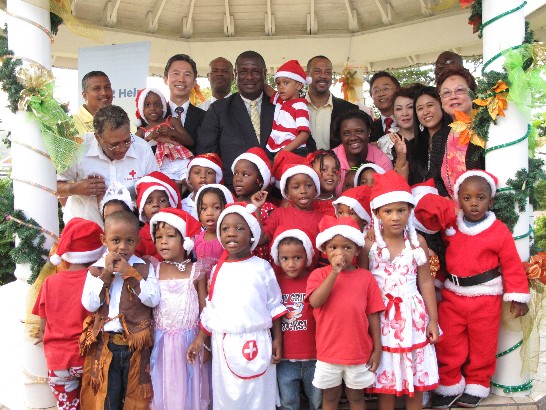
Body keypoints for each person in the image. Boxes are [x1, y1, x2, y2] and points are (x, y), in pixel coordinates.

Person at [429, 171, 530, 408]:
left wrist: (518, 295)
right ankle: (449, 383)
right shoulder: (451, 226)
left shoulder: (499, 231)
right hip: (453, 295)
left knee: (483, 345)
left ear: (490, 200)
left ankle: (477, 383)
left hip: (485, 297)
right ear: (459, 200)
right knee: (449, 342)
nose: (474, 203)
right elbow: (444, 257)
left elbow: (512, 264)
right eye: (467, 198)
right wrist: (437, 281)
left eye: (480, 197)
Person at [187, 202, 287, 409]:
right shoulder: (217, 271)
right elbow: (211, 309)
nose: (231, 233)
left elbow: (274, 305)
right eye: (225, 229)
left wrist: (278, 339)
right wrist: (199, 339)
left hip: (258, 339)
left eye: (239, 228)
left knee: (259, 396)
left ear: (252, 234)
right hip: (226, 343)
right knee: (229, 397)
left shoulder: (262, 267)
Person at [360, 170, 440, 409]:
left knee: (414, 375)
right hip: (381, 318)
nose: (395, 217)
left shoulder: (417, 243)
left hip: (412, 319)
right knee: (386, 376)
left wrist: (433, 321)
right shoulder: (369, 245)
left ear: (409, 211)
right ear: (377, 213)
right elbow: (363, 283)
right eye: (388, 211)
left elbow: (425, 282)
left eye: (401, 210)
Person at [80, 210, 160, 409]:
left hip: (136, 347)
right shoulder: (96, 269)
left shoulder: (144, 267)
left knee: (135, 399)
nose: (122, 247)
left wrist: (130, 274)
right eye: (116, 240)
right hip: (107, 346)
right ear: (104, 239)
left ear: (138, 241)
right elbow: (90, 304)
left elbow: (153, 299)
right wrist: (107, 274)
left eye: (129, 241)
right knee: (108, 398)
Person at [306, 216, 384, 410]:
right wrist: (334, 272)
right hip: (329, 353)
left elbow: (373, 314)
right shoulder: (319, 275)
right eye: (333, 247)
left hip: (358, 352)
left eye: (347, 247)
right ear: (324, 250)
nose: (340, 252)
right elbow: (315, 301)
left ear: (357, 250)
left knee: (356, 398)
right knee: (331, 398)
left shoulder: (365, 278)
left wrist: (377, 348)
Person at [32, 218, 106, 410]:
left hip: (57, 362)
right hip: (87, 358)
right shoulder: (96, 281)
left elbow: (43, 323)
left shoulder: (50, 282)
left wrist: (44, 334)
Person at [57, 105, 159, 227]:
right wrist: (74, 188)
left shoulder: (142, 149)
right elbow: (51, 186)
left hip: (126, 234)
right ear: (98, 137)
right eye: (114, 144)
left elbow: (158, 189)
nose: (122, 148)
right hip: (84, 231)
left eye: (126, 141)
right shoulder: (78, 148)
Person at [149, 208, 210, 410]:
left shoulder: (197, 271)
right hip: (161, 343)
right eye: (158, 237)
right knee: (163, 389)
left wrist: (203, 340)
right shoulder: (154, 269)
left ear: (185, 240)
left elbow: (204, 310)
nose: (163, 241)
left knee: (191, 391)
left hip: (190, 343)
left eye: (170, 236)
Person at [197, 50, 276, 190]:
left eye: (256, 71)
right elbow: (207, 157)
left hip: (278, 192)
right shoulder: (218, 110)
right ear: (236, 74)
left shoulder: (279, 108)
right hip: (233, 194)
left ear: (264, 74)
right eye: (244, 72)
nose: (250, 77)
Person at [270, 227, 322, 410]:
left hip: (314, 356)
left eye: (297, 258)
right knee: (288, 403)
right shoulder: (275, 282)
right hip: (285, 358)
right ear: (278, 259)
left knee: (316, 402)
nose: (291, 264)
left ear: (307, 257)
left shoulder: (315, 280)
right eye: (285, 258)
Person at [430, 66, 484, 198]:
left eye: (460, 90)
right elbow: (435, 179)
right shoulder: (439, 136)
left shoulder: (485, 128)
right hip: (451, 212)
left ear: (473, 94)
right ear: (441, 101)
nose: (453, 96)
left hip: (484, 211)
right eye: (446, 93)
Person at [258, 155, 325, 249]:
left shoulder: (322, 220)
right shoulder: (279, 214)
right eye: (296, 187)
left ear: (316, 190)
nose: (303, 191)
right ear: (287, 193)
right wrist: (257, 208)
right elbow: (261, 239)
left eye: (308, 185)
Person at [134, 88, 194, 181]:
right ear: (142, 109)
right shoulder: (142, 131)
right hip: (161, 166)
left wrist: (172, 132)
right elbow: (134, 149)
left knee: (189, 180)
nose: (152, 108)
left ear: (163, 106)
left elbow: (190, 141)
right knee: (167, 187)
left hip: (180, 161)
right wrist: (148, 138)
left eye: (157, 104)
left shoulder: (172, 121)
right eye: (147, 105)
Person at [331, 110, 393, 196]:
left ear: (369, 131)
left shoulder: (382, 161)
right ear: (340, 135)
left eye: (359, 131)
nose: (353, 137)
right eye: (346, 133)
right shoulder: (331, 159)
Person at [231, 147, 277, 260]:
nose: (238, 178)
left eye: (245, 174)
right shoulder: (230, 205)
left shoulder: (269, 209)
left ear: (259, 180)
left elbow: (261, 240)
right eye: (236, 173)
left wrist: (257, 208)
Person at [305, 55, 358, 150]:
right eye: (317, 71)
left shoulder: (349, 110)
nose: (323, 76)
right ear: (307, 75)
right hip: (301, 164)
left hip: (340, 164)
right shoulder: (292, 108)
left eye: (328, 72)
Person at [266, 59, 311, 156]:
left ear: (298, 86)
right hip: (275, 148)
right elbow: (269, 90)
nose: (281, 87)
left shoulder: (300, 106)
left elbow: (304, 134)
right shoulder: (280, 101)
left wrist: (284, 152)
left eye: (286, 83)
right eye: (278, 83)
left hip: (294, 150)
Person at [409, 86, 452, 186]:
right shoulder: (413, 146)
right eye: (420, 109)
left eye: (430, 105)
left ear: (441, 105)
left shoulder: (454, 137)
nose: (425, 112)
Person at [376, 87, 422, 180]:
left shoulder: (428, 137)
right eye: (399, 109)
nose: (404, 113)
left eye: (410, 107)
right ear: (393, 113)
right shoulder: (385, 143)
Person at [134, 171, 182, 260]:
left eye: (162, 201)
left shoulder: (181, 231)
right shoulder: (139, 237)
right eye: (149, 202)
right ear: (142, 209)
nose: (155, 204)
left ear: (170, 204)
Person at [163, 54, 206, 154]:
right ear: (165, 79)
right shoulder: (153, 115)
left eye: (187, 75)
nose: (181, 79)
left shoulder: (205, 117)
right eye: (176, 73)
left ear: (194, 82)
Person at [193, 184, 234, 265]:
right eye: (203, 208)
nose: (209, 213)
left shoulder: (229, 238)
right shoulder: (198, 238)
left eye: (216, 208)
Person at [182, 153, 223, 219]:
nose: (203, 176)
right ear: (189, 178)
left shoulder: (222, 203)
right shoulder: (182, 205)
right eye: (197, 173)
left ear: (216, 179)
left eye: (209, 173)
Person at [307, 150, 341, 217]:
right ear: (311, 173)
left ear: (339, 178)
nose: (330, 173)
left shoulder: (341, 204)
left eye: (334, 171)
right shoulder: (304, 202)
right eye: (324, 169)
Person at [368, 71, 400, 142]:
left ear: (398, 91)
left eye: (386, 89)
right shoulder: (369, 129)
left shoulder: (409, 122)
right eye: (376, 91)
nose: (381, 94)